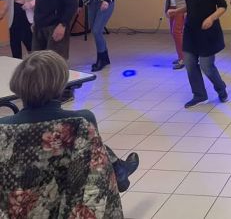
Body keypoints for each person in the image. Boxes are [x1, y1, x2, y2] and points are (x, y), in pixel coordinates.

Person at [0, 50, 139, 192]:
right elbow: (95, 163)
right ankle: (119, 171)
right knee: (91, 143)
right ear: (61, 85)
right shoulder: (82, 119)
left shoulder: (3, 126)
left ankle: (120, 171)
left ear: (17, 84)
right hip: (69, 197)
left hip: (17, 199)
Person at [169, 0, 228, 108]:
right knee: (189, 63)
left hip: (207, 32)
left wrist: (211, 18)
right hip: (191, 30)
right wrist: (177, 11)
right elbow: (190, 5)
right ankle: (199, 95)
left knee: (206, 66)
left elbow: (223, 6)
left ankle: (221, 88)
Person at [163, 0, 190, 70]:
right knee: (174, 33)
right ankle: (181, 56)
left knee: (177, 32)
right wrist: (167, 8)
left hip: (181, 8)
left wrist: (187, 9)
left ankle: (183, 58)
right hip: (172, 7)